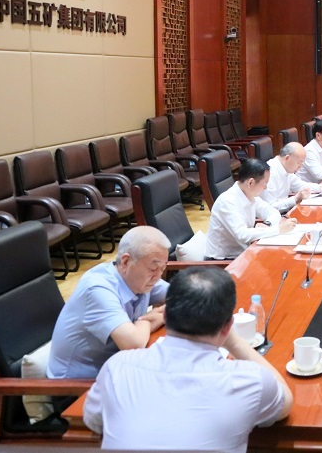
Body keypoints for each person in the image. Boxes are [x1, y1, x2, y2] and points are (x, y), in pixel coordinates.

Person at [84, 266, 293, 452]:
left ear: (165, 316)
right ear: (228, 327)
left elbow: (94, 421)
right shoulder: (250, 380)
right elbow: (285, 401)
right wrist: (235, 343)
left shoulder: (118, 366)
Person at [47, 227, 169, 379]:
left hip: (116, 368)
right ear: (126, 262)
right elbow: (133, 344)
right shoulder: (98, 289)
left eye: (162, 268)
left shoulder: (139, 278)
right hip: (75, 385)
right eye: (153, 268)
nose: (158, 276)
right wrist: (149, 320)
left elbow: (184, 297)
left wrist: (160, 314)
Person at [204, 158, 296, 259]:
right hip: (223, 261)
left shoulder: (250, 194)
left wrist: (267, 224)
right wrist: (278, 229)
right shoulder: (227, 201)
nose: (265, 187)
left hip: (244, 253)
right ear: (251, 183)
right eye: (265, 183)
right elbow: (242, 235)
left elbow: (273, 212)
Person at [263, 142, 322, 213]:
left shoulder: (286, 169)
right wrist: (295, 199)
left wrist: (321, 187)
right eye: (299, 163)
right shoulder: (270, 173)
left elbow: (301, 186)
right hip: (276, 216)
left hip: (285, 212)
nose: (300, 167)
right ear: (287, 158)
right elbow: (270, 208)